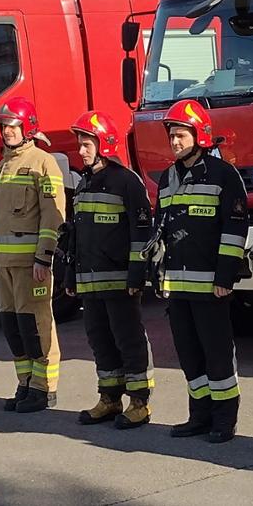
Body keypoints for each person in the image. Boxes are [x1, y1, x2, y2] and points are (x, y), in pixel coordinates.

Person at [155, 100, 249, 443]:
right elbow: (160, 229)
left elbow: (235, 227)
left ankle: (224, 420)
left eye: (181, 135)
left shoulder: (224, 175)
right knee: (190, 355)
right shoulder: (168, 177)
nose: (175, 142)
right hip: (178, 287)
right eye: (172, 136)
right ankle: (199, 415)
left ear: (200, 135)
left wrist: (225, 277)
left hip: (211, 287)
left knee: (217, 354)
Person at [65, 111, 157, 429]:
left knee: (128, 339)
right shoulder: (84, 183)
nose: (82, 150)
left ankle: (139, 402)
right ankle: (109, 397)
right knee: (99, 340)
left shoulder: (126, 181)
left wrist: (136, 275)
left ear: (105, 143)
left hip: (119, 281)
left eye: (88, 144)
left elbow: (141, 232)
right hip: (89, 282)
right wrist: (69, 276)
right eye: (80, 145)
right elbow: (74, 235)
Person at [0, 96, 69, 413]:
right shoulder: (2, 166)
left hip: (30, 265)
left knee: (36, 325)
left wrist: (43, 257)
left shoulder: (43, 162)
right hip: (5, 264)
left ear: (28, 127)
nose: (7, 132)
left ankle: (44, 387)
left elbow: (53, 215)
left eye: (12, 126)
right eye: (4, 126)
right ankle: (25, 384)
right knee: (14, 326)